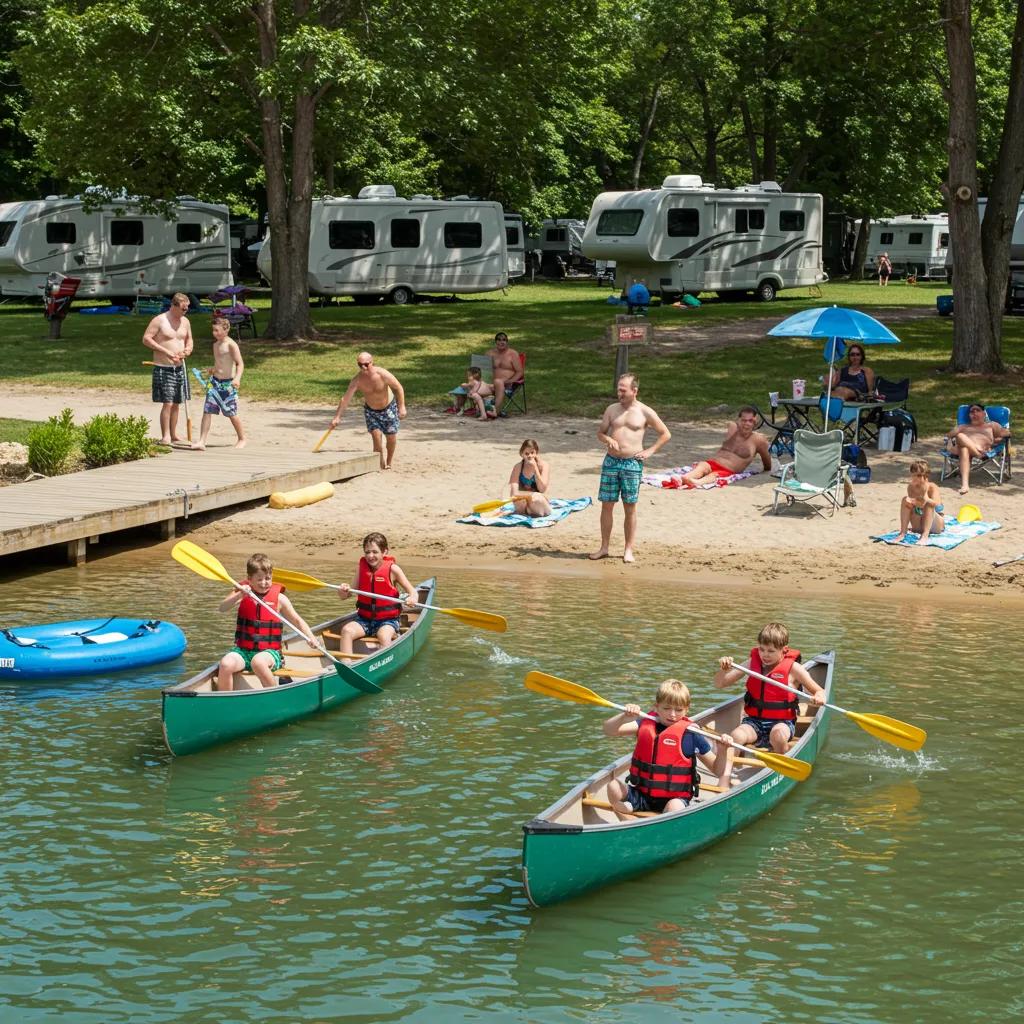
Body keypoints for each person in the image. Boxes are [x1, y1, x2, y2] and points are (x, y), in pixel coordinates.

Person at [711, 623, 826, 788]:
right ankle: (725, 776)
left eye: (771, 651)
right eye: (762, 649)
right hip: (754, 722)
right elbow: (720, 683)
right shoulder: (752, 663)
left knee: (777, 736)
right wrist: (724, 669)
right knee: (736, 736)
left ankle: (780, 769)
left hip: (782, 723)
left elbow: (818, 690)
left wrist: (818, 697)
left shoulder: (794, 668)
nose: (765, 655)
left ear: (783, 650)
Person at [602, 679, 726, 818]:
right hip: (642, 795)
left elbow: (718, 770)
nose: (672, 714)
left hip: (674, 799)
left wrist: (723, 750)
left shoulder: (691, 734)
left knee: (674, 807)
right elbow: (609, 730)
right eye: (666, 708)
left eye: (679, 710)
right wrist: (624, 717)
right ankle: (630, 808)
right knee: (613, 786)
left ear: (687, 709)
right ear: (656, 707)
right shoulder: (644, 723)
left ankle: (647, 815)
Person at [590, 373, 671, 563]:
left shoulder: (645, 412)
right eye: (618, 389)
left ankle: (628, 549)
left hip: (631, 463)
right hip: (611, 461)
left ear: (634, 391)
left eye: (623, 390)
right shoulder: (611, 409)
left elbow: (665, 434)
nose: (619, 393)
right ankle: (604, 547)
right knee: (607, 505)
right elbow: (600, 433)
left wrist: (651, 451)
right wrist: (608, 439)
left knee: (630, 507)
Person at [216, 553, 316, 692]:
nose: (264, 583)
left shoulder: (280, 599)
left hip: (270, 653)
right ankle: (225, 702)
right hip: (243, 651)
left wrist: (310, 637)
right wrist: (239, 595)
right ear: (249, 580)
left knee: (258, 662)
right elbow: (222, 608)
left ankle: (275, 696)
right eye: (259, 579)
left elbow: (297, 621)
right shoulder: (242, 593)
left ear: (272, 577)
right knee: (226, 664)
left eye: (268, 578)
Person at [336, 533, 417, 656]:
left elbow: (413, 592)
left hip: (388, 621)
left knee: (383, 636)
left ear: (384, 552)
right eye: (367, 552)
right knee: (347, 631)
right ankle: (346, 665)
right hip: (364, 619)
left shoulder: (393, 569)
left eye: (375, 552)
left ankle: (385, 663)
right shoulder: (361, 569)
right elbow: (345, 596)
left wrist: (412, 598)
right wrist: (343, 590)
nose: (370, 556)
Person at [330, 351, 407, 470]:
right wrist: (337, 417)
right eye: (360, 365)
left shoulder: (382, 374)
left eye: (366, 364)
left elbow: (398, 388)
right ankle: (379, 463)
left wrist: (401, 407)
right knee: (376, 436)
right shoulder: (357, 380)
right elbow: (345, 399)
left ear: (372, 362)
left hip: (389, 409)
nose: (364, 367)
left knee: (391, 437)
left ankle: (389, 462)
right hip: (371, 411)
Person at [143, 292, 193, 445]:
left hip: (179, 367)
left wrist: (187, 351)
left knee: (177, 402)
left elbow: (189, 340)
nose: (185, 312)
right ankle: (165, 436)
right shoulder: (160, 320)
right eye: (183, 309)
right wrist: (166, 352)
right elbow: (146, 339)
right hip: (163, 366)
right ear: (174, 306)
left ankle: (173, 434)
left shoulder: (185, 322)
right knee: (168, 402)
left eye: (187, 309)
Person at [680, 406, 771, 487]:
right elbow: (731, 423)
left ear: (755, 422)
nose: (747, 423)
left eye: (750, 421)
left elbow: (767, 464)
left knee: (714, 475)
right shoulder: (733, 429)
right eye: (744, 420)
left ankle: (697, 482)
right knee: (702, 466)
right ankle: (685, 478)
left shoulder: (759, 440)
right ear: (738, 420)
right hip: (713, 462)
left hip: (728, 470)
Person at [191, 317, 246, 450]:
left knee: (231, 412)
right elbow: (219, 363)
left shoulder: (231, 345)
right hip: (214, 383)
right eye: (213, 330)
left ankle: (242, 438)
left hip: (227, 385)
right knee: (207, 410)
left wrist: (237, 378)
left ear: (226, 330)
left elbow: (240, 363)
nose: (214, 333)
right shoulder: (215, 345)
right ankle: (201, 441)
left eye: (217, 330)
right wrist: (212, 370)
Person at [945, 403, 1010, 495]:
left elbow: (1007, 434)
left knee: (964, 448)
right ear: (969, 415)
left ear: (984, 414)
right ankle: (977, 453)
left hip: (977, 450)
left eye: (977, 410)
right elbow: (947, 436)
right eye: (972, 411)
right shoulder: (962, 427)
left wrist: (997, 440)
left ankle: (965, 485)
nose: (974, 413)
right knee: (960, 437)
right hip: (979, 453)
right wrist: (949, 445)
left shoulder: (991, 425)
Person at [893, 459, 945, 544]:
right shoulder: (911, 487)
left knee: (929, 504)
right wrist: (914, 502)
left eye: (919, 476)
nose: (915, 478)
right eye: (914, 475)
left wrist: (926, 499)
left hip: (935, 525)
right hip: (919, 522)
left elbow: (938, 507)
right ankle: (903, 533)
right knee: (905, 500)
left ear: (926, 476)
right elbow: (915, 508)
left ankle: (925, 536)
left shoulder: (932, 487)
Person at [508, 439, 552, 517]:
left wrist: (535, 468)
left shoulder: (544, 465)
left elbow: (542, 489)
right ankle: (528, 511)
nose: (530, 456)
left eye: (532, 453)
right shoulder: (518, 467)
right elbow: (513, 493)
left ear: (536, 452)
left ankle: (529, 511)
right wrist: (529, 496)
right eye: (527, 453)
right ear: (522, 454)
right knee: (519, 501)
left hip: (538, 501)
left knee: (537, 499)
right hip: (523, 503)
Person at [487, 332, 524, 419]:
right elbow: (483, 370)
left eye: (504, 340)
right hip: (490, 383)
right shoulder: (489, 354)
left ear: (507, 342)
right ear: (495, 342)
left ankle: (495, 411)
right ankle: (480, 410)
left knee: (498, 382)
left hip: (508, 385)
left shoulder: (513, 354)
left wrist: (510, 381)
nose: (501, 342)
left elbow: (519, 372)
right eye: (499, 340)